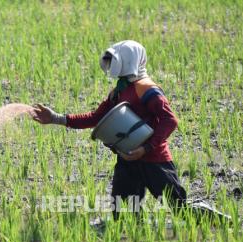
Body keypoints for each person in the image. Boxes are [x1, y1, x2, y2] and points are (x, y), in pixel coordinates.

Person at [31, 40, 227, 222]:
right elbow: (95, 118)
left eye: (114, 61)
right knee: (123, 213)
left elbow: (170, 120)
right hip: (127, 159)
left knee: (179, 207)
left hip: (154, 160)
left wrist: (147, 147)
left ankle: (225, 222)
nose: (110, 66)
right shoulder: (117, 91)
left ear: (129, 60)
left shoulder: (146, 89)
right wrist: (55, 118)